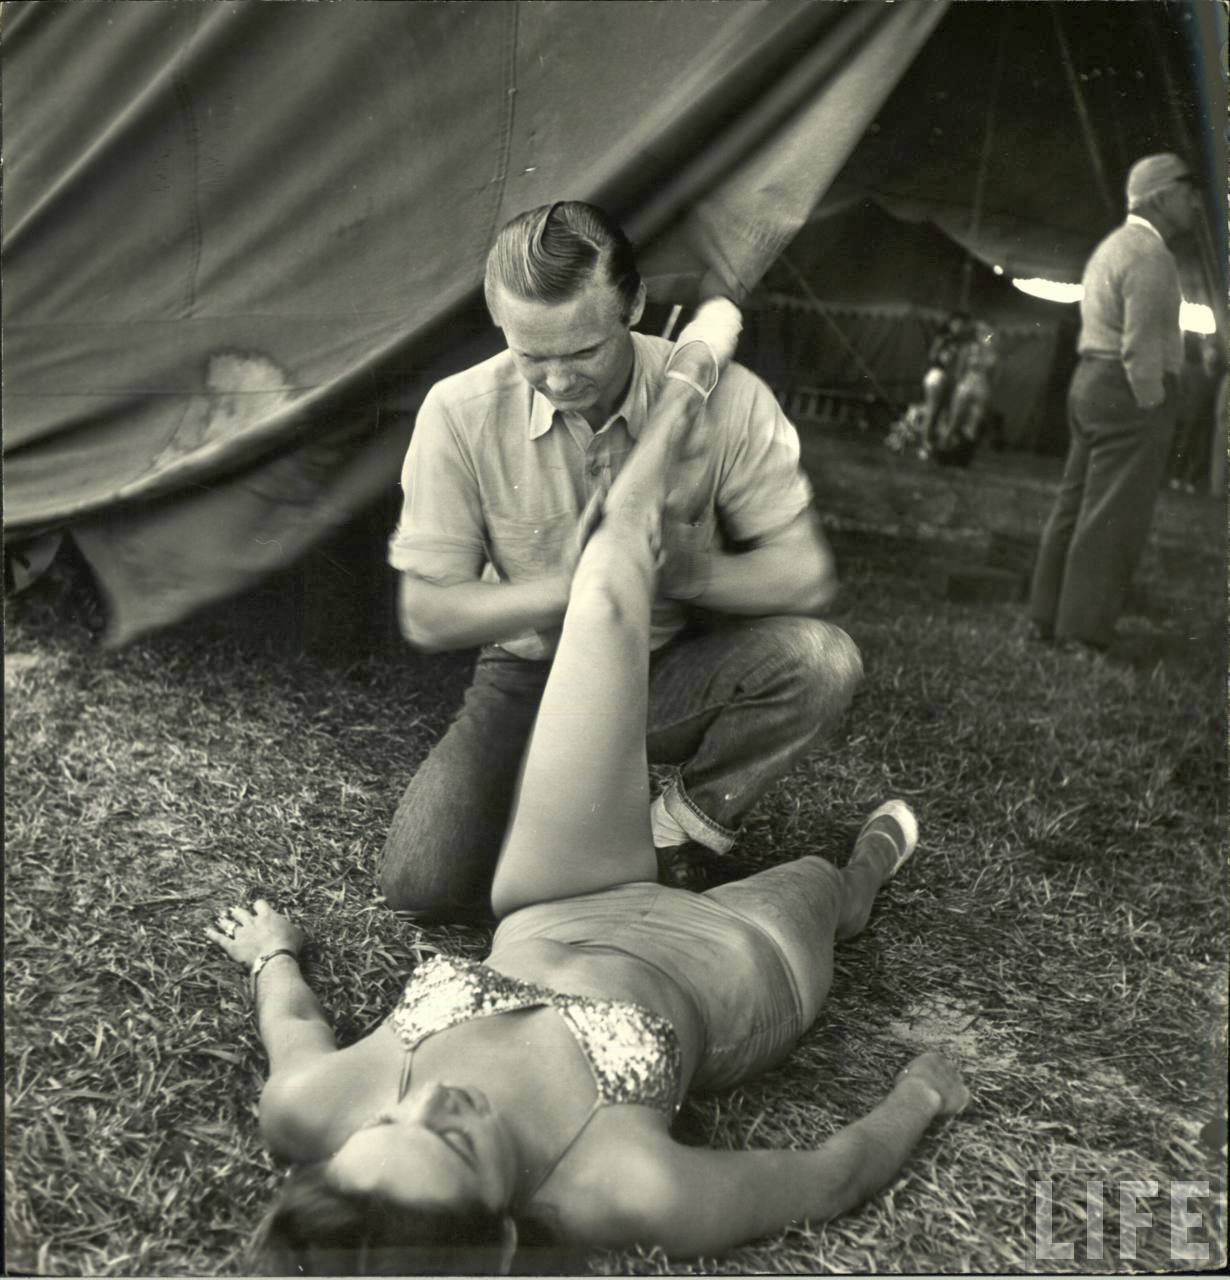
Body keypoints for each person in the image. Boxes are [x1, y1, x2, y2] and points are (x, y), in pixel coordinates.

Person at [206, 314, 968, 1273]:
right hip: (730, 965)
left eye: (397, 1115)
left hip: (558, 898)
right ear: (504, 1230)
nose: (434, 1101)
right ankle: (860, 879)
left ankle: (685, 380)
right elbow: (827, 1177)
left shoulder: (314, 1109)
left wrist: (272, 953)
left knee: (609, 585)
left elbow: (295, 1030)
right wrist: (922, 1097)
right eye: (454, 1142)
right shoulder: (625, 1189)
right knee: (824, 880)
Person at [380, 200, 861, 918]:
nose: (560, 380)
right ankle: (582, 793)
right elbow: (425, 613)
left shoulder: (727, 398)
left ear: (634, 305)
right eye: (531, 355)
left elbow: (805, 574)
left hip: (658, 665)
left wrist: (677, 573)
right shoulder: (458, 410)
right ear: (499, 322)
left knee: (822, 661)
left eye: (583, 352)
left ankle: (677, 830)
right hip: (527, 676)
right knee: (422, 885)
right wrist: (579, 587)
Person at [1027, 153, 1200, 654]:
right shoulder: (1151, 255)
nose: (1195, 204)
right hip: (1128, 388)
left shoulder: (1111, 246)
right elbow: (1141, 344)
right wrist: (1153, 401)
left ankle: (1045, 617)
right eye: (1188, 193)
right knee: (1112, 515)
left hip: (1090, 381)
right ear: (1162, 195)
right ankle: (1081, 633)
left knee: (1075, 503)